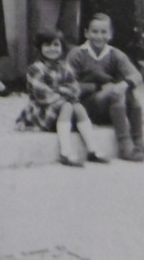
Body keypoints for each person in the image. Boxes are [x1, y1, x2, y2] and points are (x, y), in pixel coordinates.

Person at [67, 13, 144, 162]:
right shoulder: (78, 54)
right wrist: (98, 87)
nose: (99, 36)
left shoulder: (114, 54)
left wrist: (125, 84)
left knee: (131, 95)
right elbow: (68, 84)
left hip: (110, 104)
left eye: (104, 32)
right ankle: (125, 145)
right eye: (94, 32)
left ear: (110, 34)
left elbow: (136, 75)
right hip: (87, 107)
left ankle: (139, 142)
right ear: (86, 33)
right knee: (115, 93)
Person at [15, 28, 103, 167]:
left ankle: (93, 150)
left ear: (62, 47)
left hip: (60, 112)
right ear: (40, 48)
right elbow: (42, 94)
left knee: (78, 106)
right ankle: (65, 153)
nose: (52, 49)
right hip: (42, 112)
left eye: (56, 45)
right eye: (47, 45)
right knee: (68, 105)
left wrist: (60, 91)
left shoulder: (63, 67)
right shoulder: (36, 69)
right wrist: (64, 94)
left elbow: (74, 88)